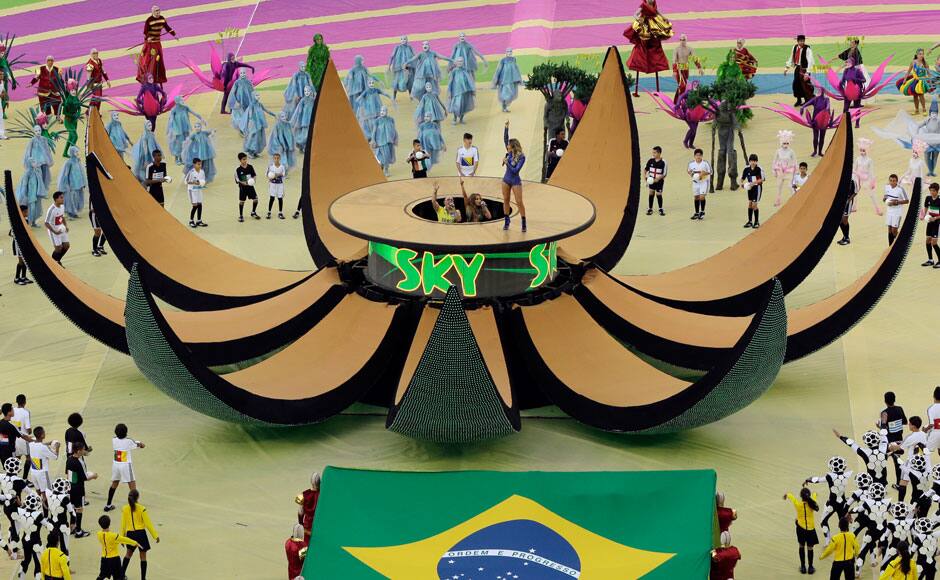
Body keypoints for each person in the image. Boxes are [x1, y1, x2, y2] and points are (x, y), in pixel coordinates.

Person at [622, 0, 673, 96]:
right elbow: (635, 14)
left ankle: (657, 90)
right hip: (645, 27)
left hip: (654, 26)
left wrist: (664, 18)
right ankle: (637, 89)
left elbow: (657, 12)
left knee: (655, 47)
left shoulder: (654, 3)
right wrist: (638, 19)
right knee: (642, 46)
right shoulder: (643, 5)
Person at [104, 423, 145, 513]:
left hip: (116, 465)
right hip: (126, 465)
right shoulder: (129, 441)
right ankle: (135, 506)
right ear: (126, 432)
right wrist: (141, 444)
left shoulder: (113, 440)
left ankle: (108, 505)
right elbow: (138, 445)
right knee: (132, 486)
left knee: (114, 484)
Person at [120, 489, 159, 580]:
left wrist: (122, 538)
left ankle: (121, 575)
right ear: (138, 497)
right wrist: (155, 535)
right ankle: (143, 578)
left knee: (128, 554)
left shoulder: (125, 509)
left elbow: (123, 524)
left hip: (130, 535)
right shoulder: (142, 508)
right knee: (143, 556)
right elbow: (148, 524)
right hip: (141, 534)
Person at [138, 5, 177, 84]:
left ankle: (158, 77)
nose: (158, 12)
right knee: (150, 60)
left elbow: (167, 28)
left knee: (159, 60)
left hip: (157, 43)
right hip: (150, 44)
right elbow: (145, 32)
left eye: (159, 10)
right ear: (152, 12)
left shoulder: (162, 19)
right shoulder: (149, 20)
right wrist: (148, 38)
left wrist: (174, 34)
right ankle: (148, 77)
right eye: (156, 11)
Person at [784, 486, 819, 574]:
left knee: (801, 546)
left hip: (801, 529)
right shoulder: (812, 503)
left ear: (801, 496)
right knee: (810, 548)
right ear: (809, 496)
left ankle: (803, 567)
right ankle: (810, 568)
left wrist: (787, 495)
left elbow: (792, 497)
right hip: (811, 530)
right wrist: (814, 494)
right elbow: (815, 495)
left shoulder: (798, 504)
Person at [66, 441, 95, 538]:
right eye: (83, 449)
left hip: (70, 487)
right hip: (78, 488)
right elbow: (84, 477)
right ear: (78, 451)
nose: (84, 451)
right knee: (79, 509)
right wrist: (94, 476)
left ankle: (72, 527)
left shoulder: (69, 459)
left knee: (73, 507)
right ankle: (78, 531)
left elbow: (67, 473)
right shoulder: (79, 462)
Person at [96, 514, 139, 579]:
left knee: (102, 575)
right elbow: (125, 539)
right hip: (114, 559)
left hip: (104, 559)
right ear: (109, 523)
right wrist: (135, 543)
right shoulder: (113, 536)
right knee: (118, 577)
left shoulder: (99, 534)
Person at [502, 120, 526, 231]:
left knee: (519, 201)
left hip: (515, 180)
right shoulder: (509, 153)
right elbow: (505, 139)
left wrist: (507, 163)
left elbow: (516, 170)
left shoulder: (521, 157)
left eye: (508, 145)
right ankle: (507, 220)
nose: (507, 146)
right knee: (506, 199)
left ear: (512, 147)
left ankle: (523, 221)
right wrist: (506, 127)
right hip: (506, 180)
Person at [166, 95, 205, 165]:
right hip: (178, 129)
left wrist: (201, 118)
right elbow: (171, 119)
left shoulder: (185, 107)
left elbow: (194, 113)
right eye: (181, 100)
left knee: (185, 142)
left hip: (185, 128)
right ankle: (177, 157)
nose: (183, 101)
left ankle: (182, 157)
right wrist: (169, 128)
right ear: (177, 102)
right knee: (179, 143)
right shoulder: (174, 109)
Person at [785, 35, 815, 107]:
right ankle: (798, 100)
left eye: (803, 41)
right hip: (798, 68)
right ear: (797, 41)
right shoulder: (795, 47)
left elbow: (810, 60)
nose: (802, 42)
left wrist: (807, 73)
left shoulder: (807, 49)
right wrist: (786, 68)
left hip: (805, 69)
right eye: (800, 41)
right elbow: (791, 57)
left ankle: (807, 100)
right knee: (796, 85)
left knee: (805, 86)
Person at [672, 34, 703, 101]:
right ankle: (681, 101)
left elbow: (695, 59)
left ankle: (676, 101)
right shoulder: (676, 49)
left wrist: (699, 67)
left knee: (683, 86)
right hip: (679, 69)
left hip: (686, 69)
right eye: (681, 39)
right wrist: (674, 71)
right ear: (679, 40)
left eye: (684, 40)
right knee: (682, 86)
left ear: (686, 40)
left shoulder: (690, 49)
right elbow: (674, 60)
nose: (682, 41)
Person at [26, 426, 58, 492]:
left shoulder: (31, 444)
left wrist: (48, 443)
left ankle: (41, 501)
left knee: (38, 490)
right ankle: (46, 502)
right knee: (47, 492)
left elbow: (38, 444)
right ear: (42, 435)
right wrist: (57, 448)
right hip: (43, 473)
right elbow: (55, 457)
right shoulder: (44, 447)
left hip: (33, 472)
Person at [58, 145, 86, 218]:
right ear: (72, 152)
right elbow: (66, 174)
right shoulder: (69, 163)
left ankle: (75, 212)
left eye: (77, 151)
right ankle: (71, 213)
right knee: (72, 198)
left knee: (77, 198)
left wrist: (83, 182)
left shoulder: (78, 161)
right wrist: (66, 184)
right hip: (72, 184)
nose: (77, 153)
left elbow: (81, 171)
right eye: (76, 151)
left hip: (79, 184)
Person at [899, 49, 930, 116]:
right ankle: (916, 110)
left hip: (922, 81)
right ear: (917, 55)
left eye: (922, 54)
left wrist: (929, 80)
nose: (921, 55)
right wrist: (905, 79)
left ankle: (924, 109)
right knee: (915, 95)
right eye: (920, 54)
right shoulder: (913, 62)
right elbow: (908, 72)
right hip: (915, 81)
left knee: (921, 95)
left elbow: (929, 73)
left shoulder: (925, 63)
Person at [447, 57, 476, 125]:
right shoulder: (454, 71)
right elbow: (450, 82)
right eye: (458, 61)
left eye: (461, 61)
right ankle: (454, 118)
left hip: (465, 91)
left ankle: (461, 119)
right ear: (456, 62)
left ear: (463, 62)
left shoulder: (465, 70)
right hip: (456, 91)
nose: (460, 62)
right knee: (456, 105)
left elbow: (469, 80)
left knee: (464, 105)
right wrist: (450, 91)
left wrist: (472, 90)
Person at [492, 48, 523, 113]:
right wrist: (495, 80)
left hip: (511, 80)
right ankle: (504, 107)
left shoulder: (514, 59)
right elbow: (499, 69)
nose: (509, 53)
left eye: (510, 51)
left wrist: (519, 79)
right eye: (508, 52)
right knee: (505, 94)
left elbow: (516, 69)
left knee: (511, 94)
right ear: (506, 52)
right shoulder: (503, 60)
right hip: (504, 80)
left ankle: (504, 106)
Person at [370, 106, 398, 177]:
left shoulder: (391, 119)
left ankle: (381, 167)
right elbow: (374, 131)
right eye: (381, 111)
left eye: (384, 111)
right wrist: (373, 140)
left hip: (390, 140)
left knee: (387, 156)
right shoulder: (377, 121)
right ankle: (386, 170)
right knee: (386, 156)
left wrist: (395, 138)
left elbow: (394, 129)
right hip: (381, 141)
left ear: (387, 112)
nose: (382, 112)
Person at [772, 130, 798, 207]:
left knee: (790, 186)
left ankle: (795, 199)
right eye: (784, 143)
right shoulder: (778, 151)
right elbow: (774, 160)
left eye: (787, 143)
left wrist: (796, 171)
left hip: (789, 170)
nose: (786, 144)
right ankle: (778, 200)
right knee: (779, 186)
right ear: (781, 143)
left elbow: (795, 160)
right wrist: (773, 170)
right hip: (780, 170)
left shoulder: (791, 151)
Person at [884, 173, 910, 245]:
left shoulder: (900, 189)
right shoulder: (887, 187)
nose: (892, 182)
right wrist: (885, 200)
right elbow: (885, 197)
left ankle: (901, 243)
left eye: (894, 181)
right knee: (889, 229)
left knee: (894, 231)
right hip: (889, 212)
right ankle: (890, 246)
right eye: (891, 180)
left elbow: (907, 200)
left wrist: (896, 202)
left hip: (897, 212)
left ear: (897, 181)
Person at [45, 191, 70, 265]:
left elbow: (62, 216)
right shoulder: (51, 209)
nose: (63, 199)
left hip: (61, 228)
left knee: (66, 246)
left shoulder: (62, 206)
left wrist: (65, 226)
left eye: (63, 197)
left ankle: (57, 260)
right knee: (58, 248)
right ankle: (54, 264)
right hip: (54, 231)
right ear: (56, 199)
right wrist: (54, 232)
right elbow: (46, 223)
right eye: (61, 198)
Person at [741, 154, 765, 229]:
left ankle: (757, 222)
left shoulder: (759, 169)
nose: (753, 163)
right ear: (749, 161)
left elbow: (762, 179)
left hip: (757, 188)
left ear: (757, 162)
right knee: (750, 204)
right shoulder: (746, 169)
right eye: (751, 161)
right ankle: (750, 221)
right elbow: (742, 178)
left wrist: (752, 183)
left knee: (754, 205)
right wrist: (741, 184)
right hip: (750, 189)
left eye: (755, 161)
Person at [296, 472, 320, 543]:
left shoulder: (303, 495)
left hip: (307, 529)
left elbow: (300, 513)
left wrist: (301, 525)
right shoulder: (323, 495)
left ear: (311, 482)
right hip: (319, 528)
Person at [235, 152, 260, 222]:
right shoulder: (238, 170)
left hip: (250, 186)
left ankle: (253, 212)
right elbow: (238, 180)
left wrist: (253, 181)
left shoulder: (250, 167)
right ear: (240, 160)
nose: (245, 160)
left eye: (246, 159)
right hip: (243, 188)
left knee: (256, 199)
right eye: (243, 159)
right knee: (242, 202)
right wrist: (244, 183)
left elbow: (254, 175)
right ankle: (241, 215)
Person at [13, 204, 34, 285]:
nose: (27, 213)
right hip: (18, 243)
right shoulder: (16, 221)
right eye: (25, 211)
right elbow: (11, 233)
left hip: (24, 242)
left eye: (27, 211)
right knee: (21, 261)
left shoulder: (26, 220)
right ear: (21, 212)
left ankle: (23, 277)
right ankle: (17, 278)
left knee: (25, 260)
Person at [688, 148, 711, 220]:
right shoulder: (691, 164)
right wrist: (692, 174)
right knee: (696, 197)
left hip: (704, 182)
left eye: (700, 155)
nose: (698, 157)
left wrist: (703, 173)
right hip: (695, 183)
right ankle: (696, 213)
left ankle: (702, 211)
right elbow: (689, 171)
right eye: (697, 155)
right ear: (694, 156)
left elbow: (710, 172)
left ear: (702, 156)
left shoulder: (705, 163)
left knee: (702, 197)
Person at [644, 145, 668, 216]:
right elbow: (645, 170)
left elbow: (664, 174)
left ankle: (660, 208)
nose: (653, 154)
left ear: (659, 153)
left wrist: (657, 179)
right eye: (653, 152)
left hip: (659, 182)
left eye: (654, 153)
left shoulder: (663, 162)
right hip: (651, 181)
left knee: (658, 194)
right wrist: (645, 177)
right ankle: (650, 208)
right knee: (651, 193)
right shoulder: (650, 160)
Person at [11, 394, 31, 478]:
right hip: (24, 438)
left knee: (16, 459)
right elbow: (28, 429)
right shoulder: (26, 412)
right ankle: (24, 479)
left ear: (16, 402)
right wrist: (30, 432)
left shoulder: (12, 411)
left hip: (14, 439)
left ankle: (13, 477)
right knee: (29, 458)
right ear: (25, 402)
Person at [185, 157, 208, 228]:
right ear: (194, 164)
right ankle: (191, 221)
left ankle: (199, 221)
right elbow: (186, 181)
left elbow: (203, 181)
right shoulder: (191, 172)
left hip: (199, 190)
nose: (200, 166)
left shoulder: (202, 172)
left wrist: (201, 183)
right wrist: (194, 182)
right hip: (192, 191)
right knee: (195, 206)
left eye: (200, 164)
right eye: (198, 164)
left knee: (200, 204)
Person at [924, 183, 940, 266]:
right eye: (930, 190)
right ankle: (930, 260)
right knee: (928, 240)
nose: (932, 192)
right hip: (930, 222)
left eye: (933, 191)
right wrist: (924, 215)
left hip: (937, 223)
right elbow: (926, 206)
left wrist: (935, 218)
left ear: (937, 191)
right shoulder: (928, 198)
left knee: (934, 243)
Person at [266, 152, 287, 219]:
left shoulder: (282, 167)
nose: (276, 159)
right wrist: (271, 177)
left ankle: (280, 212)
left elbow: (283, 174)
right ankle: (269, 212)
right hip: (272, 184)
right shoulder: (270, 166)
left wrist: (276, 175)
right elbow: (267, 175)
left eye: (278, 158)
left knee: (280, 198)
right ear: (273, 159)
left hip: (280, 185)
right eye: (275, 158)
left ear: (280, 159)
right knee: (272, 198)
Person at [926, 386, 940, 453]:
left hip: (935, 433)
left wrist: (924, 430)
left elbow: (931, 424)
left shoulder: (931, 409)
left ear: (934, 396)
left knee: (926, 451)